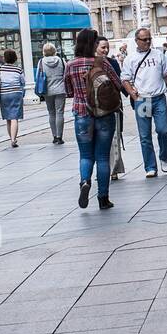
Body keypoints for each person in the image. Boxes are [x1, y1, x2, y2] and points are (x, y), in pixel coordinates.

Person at [64, 28, 117, 210]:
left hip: (82, 115)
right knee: (102, 157)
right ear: (93, 44)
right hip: (104, 114)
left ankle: (85, 181)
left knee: (86, 155)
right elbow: (117, 84)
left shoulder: (71, 65)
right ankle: (103, 198)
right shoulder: (102, 62)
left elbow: (69, 92)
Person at [120, 27, 167, 178]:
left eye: (149, 39)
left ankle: (164, 157)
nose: (147, 42)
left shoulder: (159, 55)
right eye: (144, 39)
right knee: (145, 135)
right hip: (143, 100)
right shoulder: (130, 59)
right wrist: (133, 94)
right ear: (136, 41)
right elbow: (124, 79)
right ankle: (150, 166)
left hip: (159, 98)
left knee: (163, 130)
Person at [95, 36, 126, 180]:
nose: (106, 50)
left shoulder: (113, 62)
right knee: (100, 139)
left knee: (114, 137)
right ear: (95, 47)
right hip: (96, 107)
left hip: (113, 104)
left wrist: (132, 95)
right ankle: (104, 169)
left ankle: (113, 169)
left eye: (107, 47)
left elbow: (119, 82)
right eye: (103, 47)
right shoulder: (91, 62)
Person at [0, 48, 26, 147]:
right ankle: (13, 139)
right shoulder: (18, 69)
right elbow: (23, 82)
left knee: (8, 118)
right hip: (16, 93)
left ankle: (11, 138)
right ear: (15, 58)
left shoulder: (0, 68)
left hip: (4, 94)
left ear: (5, 58)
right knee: (14, 117)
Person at [37, 42, 68, 144]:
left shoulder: (41, 62)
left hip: (47, 90)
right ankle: (60, 137)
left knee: (51, 113)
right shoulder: (61, 60)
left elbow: (38, 76)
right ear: (54, 51)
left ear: (44, 51)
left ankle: (54, 136)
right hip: (60, 89)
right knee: (60, 112)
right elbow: (66, 73)